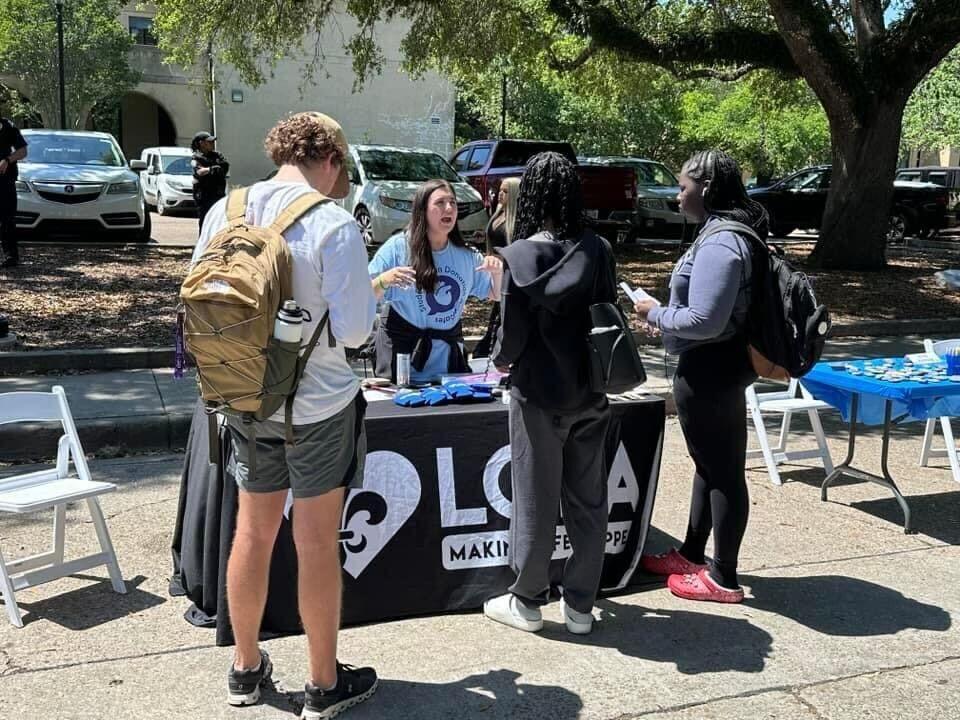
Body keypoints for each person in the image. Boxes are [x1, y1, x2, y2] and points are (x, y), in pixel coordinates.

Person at [191, 112, 378, 717]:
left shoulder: (227, 209)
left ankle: (245, 669)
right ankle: (323, 685)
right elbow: (353, 331)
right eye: (341, 169)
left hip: (242, 398)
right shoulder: (332, 224)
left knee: (252, 532)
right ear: (328, 158)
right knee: (318, 542)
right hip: (318, 407)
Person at [483, 151, 615, 635]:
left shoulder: (518, 257)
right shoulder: (597, 249)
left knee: (535, 499)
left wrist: (497, 361)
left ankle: (527, 601)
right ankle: (581, 606)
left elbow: (510, 341)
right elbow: (608, 312)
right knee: (589, 502)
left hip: (537, 392)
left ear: (532, 196)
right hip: (591, 389)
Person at [633, 149, 767, 604]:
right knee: (708, 465)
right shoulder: (720, 234)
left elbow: (705, 321)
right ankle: (693, 555)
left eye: (683, 187)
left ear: (705, 189)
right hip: (714, 366)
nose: (677, 195)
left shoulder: (721, 243)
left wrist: (657, 312)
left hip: (712, 367)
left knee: (724, 472)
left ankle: (723, 577)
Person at [368, 179, 503, 383]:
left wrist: (497, 273)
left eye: (453, 203)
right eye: (440, 203)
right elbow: (362, 296)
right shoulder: (397, 248)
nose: (448, 208)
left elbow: (494, 293)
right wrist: (384, 280)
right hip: (403, 361)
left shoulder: (467, 255)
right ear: (422, 209)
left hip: (448, 367)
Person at [473, 177, 520, 358]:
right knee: (497, 312)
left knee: (501, 313)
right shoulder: (498, 213)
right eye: (500, 190)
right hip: (494, 271)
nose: (500, 194)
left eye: (506, 191)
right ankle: (489, 348)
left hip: (507, 273)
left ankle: (491, 349)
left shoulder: (516, 221)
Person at [0, 117, 28, 268]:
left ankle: (11, 256)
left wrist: (8, 160)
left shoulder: (7, 126)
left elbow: (23, 151)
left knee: (7, 220)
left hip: (4, 181)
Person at [191, 131, 229, 235]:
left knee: (219, 222)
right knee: (205, 222)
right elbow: (199, 172)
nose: (212, 144)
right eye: (209, 142)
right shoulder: (196, 157)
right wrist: (214, 169)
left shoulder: (217, 155)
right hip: (204, 196)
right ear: (201, 143)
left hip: (218, 194)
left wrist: (208, 169)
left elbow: (225, 167)